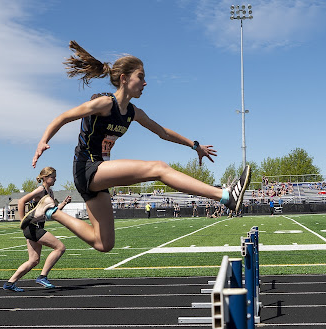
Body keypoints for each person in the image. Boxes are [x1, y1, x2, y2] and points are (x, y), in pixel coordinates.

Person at [30, 41, 251, 252]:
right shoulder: (106, 103)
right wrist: (43, 140)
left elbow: (162, 132)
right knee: (158, 168)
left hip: (98, 173)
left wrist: (195, 146)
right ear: (125, 79)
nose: (145, 83)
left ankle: (51, 212)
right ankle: (225, 196)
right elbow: (65, 116)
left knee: (103, 243)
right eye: (141, 77)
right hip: (86, 167)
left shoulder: (133, 112)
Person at [4, 167, 70, 292]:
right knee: (60, 247)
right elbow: (22, 201)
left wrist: (64, 204)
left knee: (34, 260)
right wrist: (23, 220)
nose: (55, 179)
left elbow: (53, 212)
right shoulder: (40, 190)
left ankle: (10, 283)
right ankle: (42, 276)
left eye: (55, 177)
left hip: (37, 227)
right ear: (45, 178)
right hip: (32, 227)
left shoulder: (50, 193)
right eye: (53, 177)